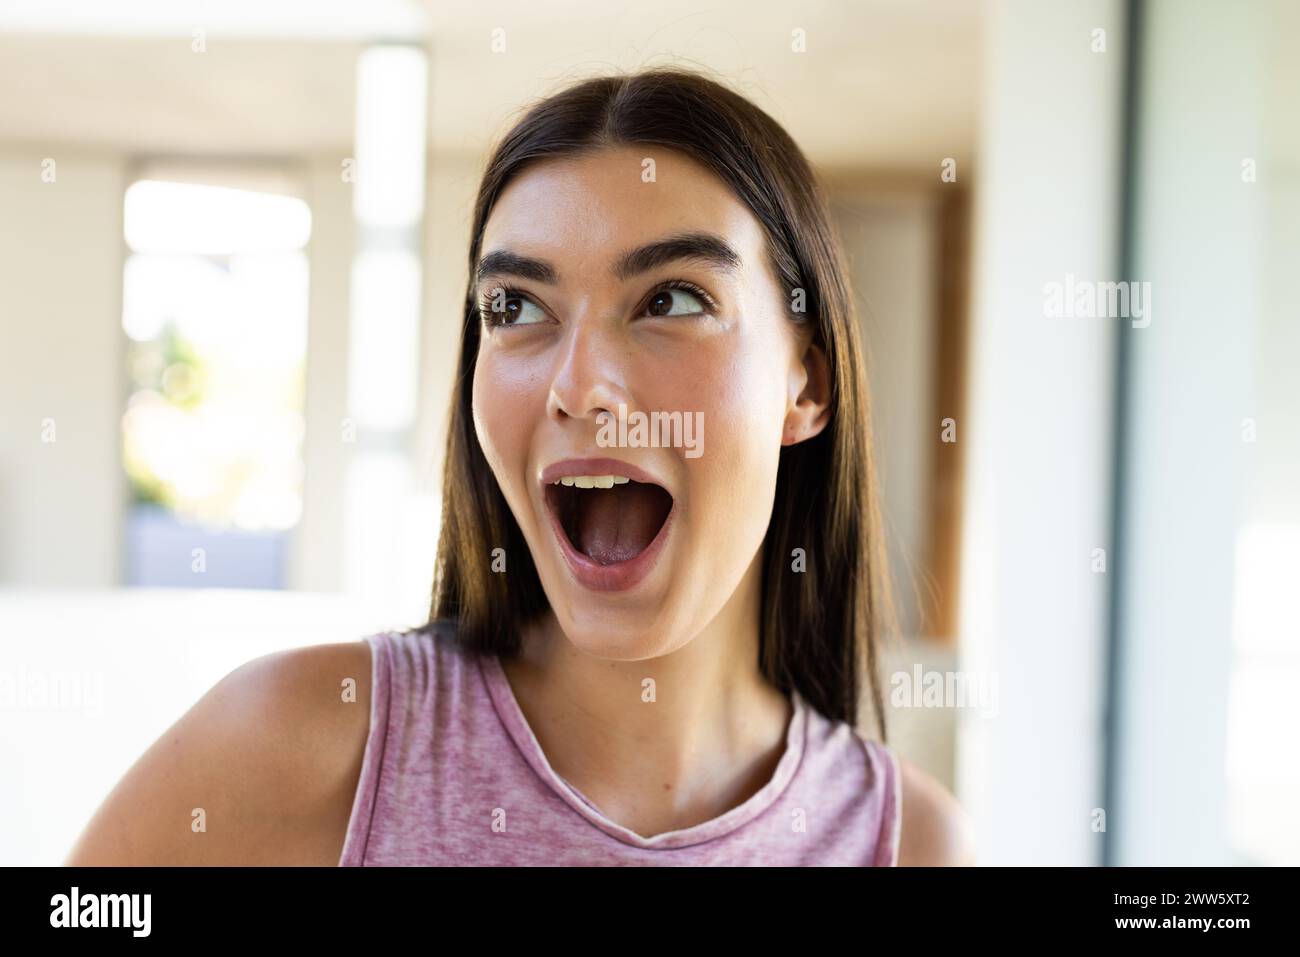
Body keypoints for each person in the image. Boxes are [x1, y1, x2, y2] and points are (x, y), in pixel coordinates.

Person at [67, 68, 973, 866]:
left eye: (674, 298)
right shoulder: (295, 743)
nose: (579, 386)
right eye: (516, 306)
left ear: (804, 383)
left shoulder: (908, 846)